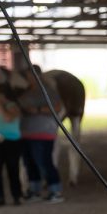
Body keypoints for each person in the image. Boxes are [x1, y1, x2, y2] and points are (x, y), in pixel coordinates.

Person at [18, 65, 65, 204]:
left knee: (44, 162)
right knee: (30, 163)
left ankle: (55, 191)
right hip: (26, 133)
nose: (28, 78)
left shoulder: (48, 91)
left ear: (37, 75)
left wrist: (38, 110)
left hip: (44, 132)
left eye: (29, 75)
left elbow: (58, 107)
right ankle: (34, 190)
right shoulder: (26, 92)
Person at [0, 84, 23, 206]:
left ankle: (16, 195)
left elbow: (8, 118)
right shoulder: (0, 108)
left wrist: (0, 104)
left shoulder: (13, 106)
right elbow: (2, 122)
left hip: (11, 142)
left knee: (13, 169)